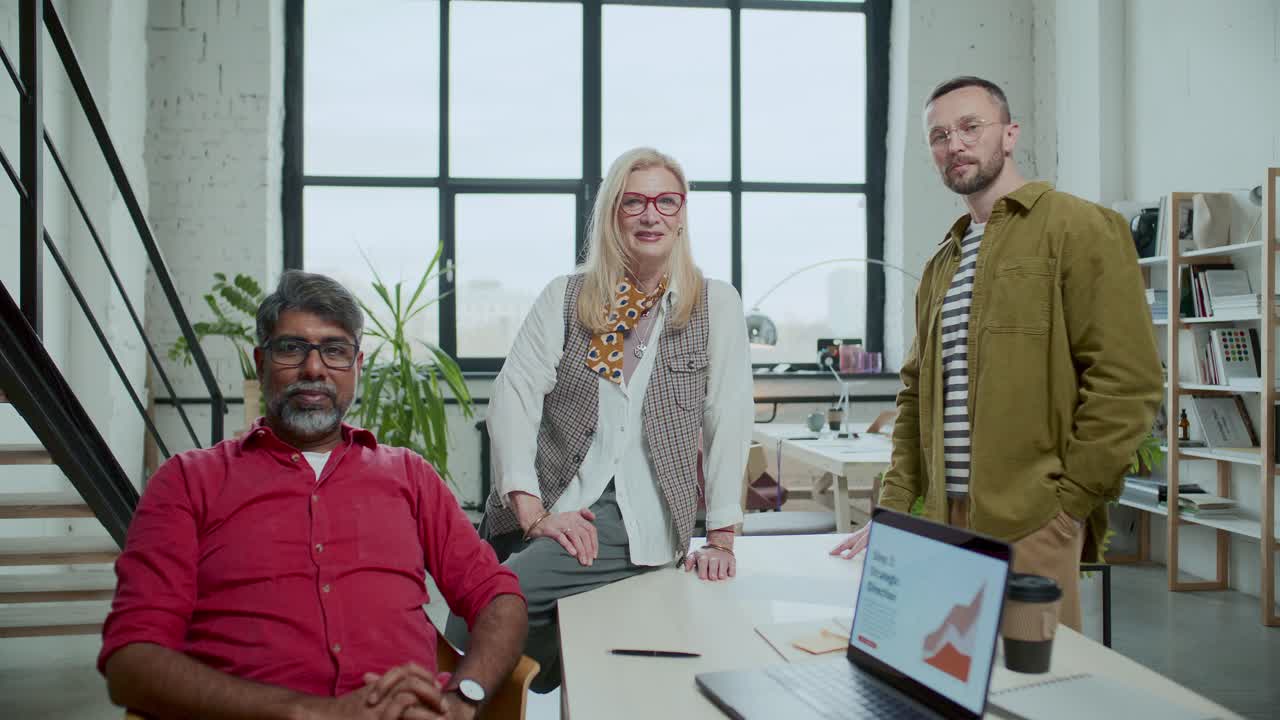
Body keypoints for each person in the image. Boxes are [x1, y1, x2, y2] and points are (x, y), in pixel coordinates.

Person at [100, 271, 527, 720]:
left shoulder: (410, 475)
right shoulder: (188, 481)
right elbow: (133, 661)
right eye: (292, 348)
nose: (314, 368)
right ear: (261, 361)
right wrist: (313, 713)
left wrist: (463, 697)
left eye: (335, 350)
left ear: (358, 366)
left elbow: (498, 597)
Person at [830, 76, 1161, 631]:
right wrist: (894, 507)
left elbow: (1127, 382)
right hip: (944, 520)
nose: (953, 144)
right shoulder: (942, 263)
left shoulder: (1079, 227)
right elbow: (915, 394)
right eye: (938, 136)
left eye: (969, 127)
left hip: (1033, 517)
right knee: (949, 682)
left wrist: (1068, 506)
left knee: (1036, 691)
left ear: (1009, 135)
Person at [477, 147, 753, 692]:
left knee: (484, 606)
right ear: (612, 214)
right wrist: (530, 510)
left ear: (682, 214)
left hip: (632, 517)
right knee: (475, 604)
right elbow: (514, 395)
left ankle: (549, 665)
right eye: (634, 202)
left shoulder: (715, 303)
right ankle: (564, 659)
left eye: (666, 201)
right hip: (549, 499)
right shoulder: (568, 296)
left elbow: (729, 413)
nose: (651, 215)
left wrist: (721, 536)